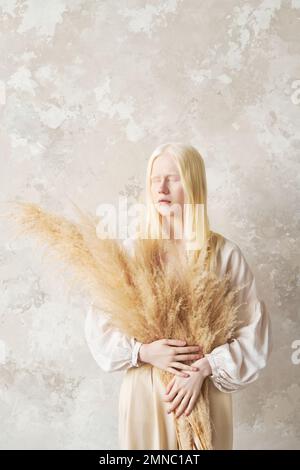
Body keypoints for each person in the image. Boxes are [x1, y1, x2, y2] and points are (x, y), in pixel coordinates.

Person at [84, 143, 272, 449]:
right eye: (155, 179)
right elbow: (99, 327)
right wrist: (144, 352)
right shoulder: (132, 252)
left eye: (173, 178)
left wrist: (204, 368)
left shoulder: (224, 254)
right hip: (146, 395)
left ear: (194, 184)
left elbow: (254, 336)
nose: (162, 187)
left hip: (205, 394)